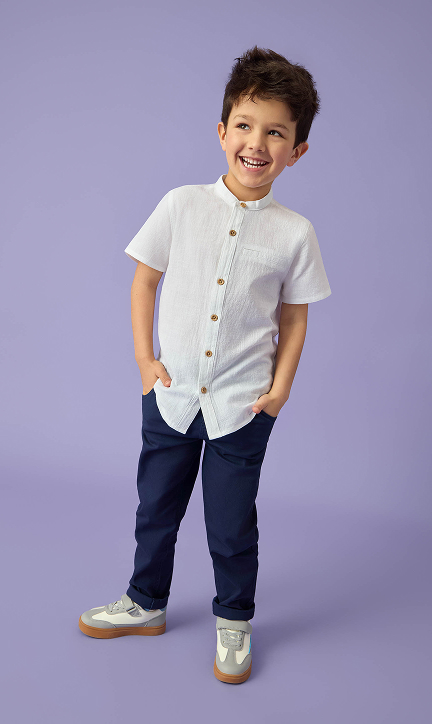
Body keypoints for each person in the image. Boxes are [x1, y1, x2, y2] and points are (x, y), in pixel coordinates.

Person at [78, 45, 332, 685]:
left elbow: (295, 319)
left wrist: (279, 391)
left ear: (297, 150)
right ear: (222, 132)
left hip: (243, 406)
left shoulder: (295, 233)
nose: (257, 143)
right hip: (169, 395)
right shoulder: (181, 205)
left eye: (276, 132)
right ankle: (145, 601)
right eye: (245, 125)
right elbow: (145, 281)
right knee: (155, 509)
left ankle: (235, 620)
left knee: (231, 524)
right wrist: (146, 362)